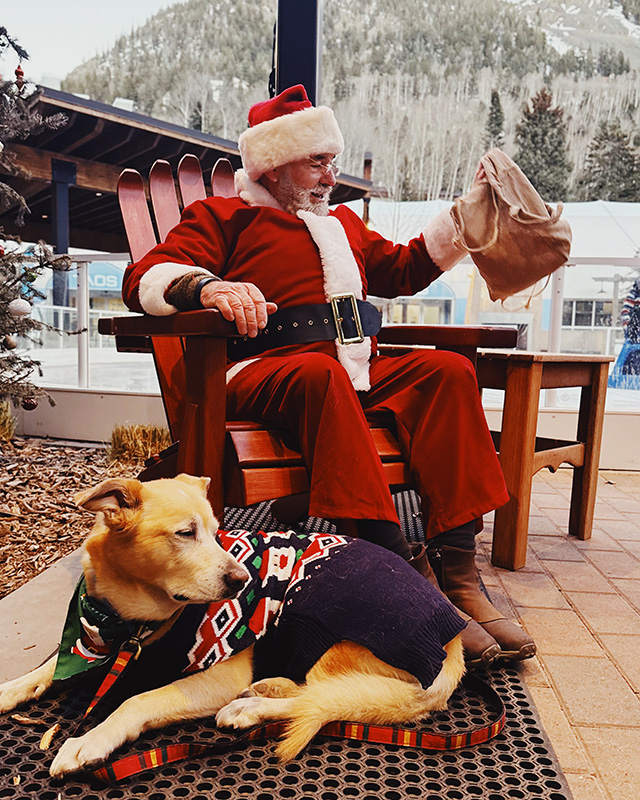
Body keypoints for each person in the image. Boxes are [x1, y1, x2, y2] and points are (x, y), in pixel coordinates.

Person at [122, 85, 535, 666]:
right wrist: (209, 286)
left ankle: (459, 572)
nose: (330, 175)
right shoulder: (224, 216)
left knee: (446, 370)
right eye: (317, 161)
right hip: (258, 370)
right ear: (273, 162)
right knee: (319, 373)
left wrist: (467, 217)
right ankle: (398, 571)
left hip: (351, 371)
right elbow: (149, 274)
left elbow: (405, 268)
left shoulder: (339, 224)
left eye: (331, 161)